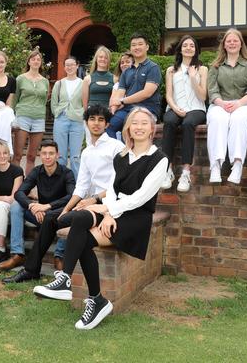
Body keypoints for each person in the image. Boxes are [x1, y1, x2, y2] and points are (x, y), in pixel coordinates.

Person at [32, 107, 168, 331]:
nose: (139, 127)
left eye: (144, 123)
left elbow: (141, 197)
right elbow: (113, 189)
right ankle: (73, 284)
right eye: (135, 123)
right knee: (80, 220)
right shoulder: (122, 156)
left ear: (152, 128)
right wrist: (106, 209)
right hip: (114, 208)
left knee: (82, 232)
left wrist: (110, 212)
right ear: (128, 129)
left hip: (136, 217)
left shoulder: (159, 159)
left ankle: (93, 298)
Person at [3, 104, 125, 284]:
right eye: (92, 119)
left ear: (107, 124)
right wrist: (66, 209)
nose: (96, 124)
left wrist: (94, 198)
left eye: (101, 120)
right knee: (51, 218)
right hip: (89, 204)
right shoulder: (86, 152)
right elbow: (81, 187)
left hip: (108, 205)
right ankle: (31, 270)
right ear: (86, 122)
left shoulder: (116, 147)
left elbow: (118, 184)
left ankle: (62, 273)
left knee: (55, 219)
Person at [0, 140, 74, 271]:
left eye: (51, 153)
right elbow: (19, 192)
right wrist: (32, 207)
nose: (47, 156)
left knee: (71, 212)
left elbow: (71, 197)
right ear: (40, 155)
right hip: (39, 214)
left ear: (57, 155)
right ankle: (18, 254)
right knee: (17, 206)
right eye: (44, 153)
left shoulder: (67, 173)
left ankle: (59, 256)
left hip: (58, 215)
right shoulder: (36, 171)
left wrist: (48, 206)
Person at [206, 29, 247, 185]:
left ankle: (237, 165)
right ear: (224, 45)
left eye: (235, 40)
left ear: (241, 43)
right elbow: (212, 90)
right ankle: (215, 165)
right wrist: (221, 103)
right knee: (218, 119)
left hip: (245, 105)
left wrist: (238, 103)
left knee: (239, 118)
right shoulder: (215, 67)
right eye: (228, 41)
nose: (232, 43)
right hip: (220, 104)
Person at [161, 35, 208, 192]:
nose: (188, 48)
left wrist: (194, 78)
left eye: (192, 46)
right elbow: (168, 94)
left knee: (188, 123)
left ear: (196, 50)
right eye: (185, 45)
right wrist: (174, 108)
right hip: (176, 107)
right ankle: (167, 170)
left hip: (196, 109)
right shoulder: (171, 70)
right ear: (180, 49)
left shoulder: (202, 69)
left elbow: (202, 96)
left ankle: (186, 172)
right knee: (169, 122)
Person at [107, 33, 162, 138]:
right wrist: (113, 109)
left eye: (140, 44)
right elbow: (120, 93)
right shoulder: (126, 72)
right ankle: (119, 153)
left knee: (129, 129)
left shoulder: (153, 68)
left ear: (147, 47)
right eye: (133, 45)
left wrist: (122, 101)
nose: (136, 47)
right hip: (128, 109)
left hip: (147, 109)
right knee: (109, 125)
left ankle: (131, 153)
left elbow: (147, 93)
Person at [12, 49, 49, 175]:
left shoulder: (45, 81)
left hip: (39, 118)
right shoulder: (20, 79)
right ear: (29, 61)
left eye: (38, 59)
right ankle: (15, 184)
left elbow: (44, 101)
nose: (36, 61)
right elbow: (15, 99)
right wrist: (13, 117)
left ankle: (28, 186)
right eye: (33, 59)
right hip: (23, 116)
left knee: (32, 156)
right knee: (17, 154)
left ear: (41, 63)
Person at [51, 56, 84, 178]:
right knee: (61, 155)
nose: (69, 67)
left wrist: (81, 113)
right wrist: (57, 114)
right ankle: (62, 184)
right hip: (61, 119)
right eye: (67, 65)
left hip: (77, 120)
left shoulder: (83, 83)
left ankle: (77, 186)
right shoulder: (59, 84)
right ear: (64, 67)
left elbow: (85, 101)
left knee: (76, 156)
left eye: (72, 64)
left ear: (77, 66)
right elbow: (54, 102)